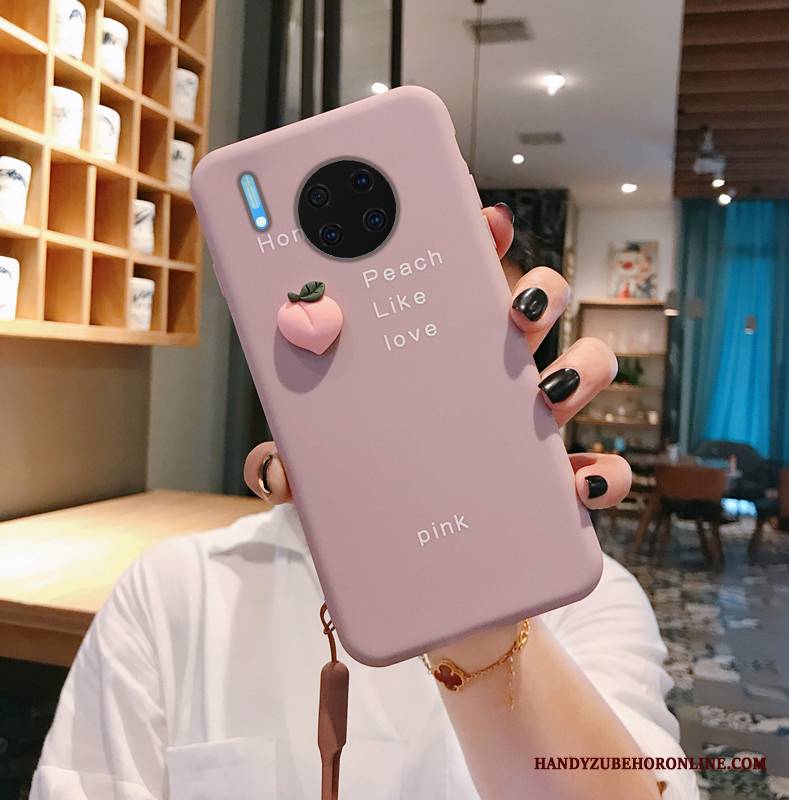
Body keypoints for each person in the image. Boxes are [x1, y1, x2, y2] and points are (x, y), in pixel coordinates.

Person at [31, 206, 699, 799]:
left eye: (461, 352)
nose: (419, 388)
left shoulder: (588, 596)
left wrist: (476, 602)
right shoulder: (175, 591)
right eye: (380, 342)